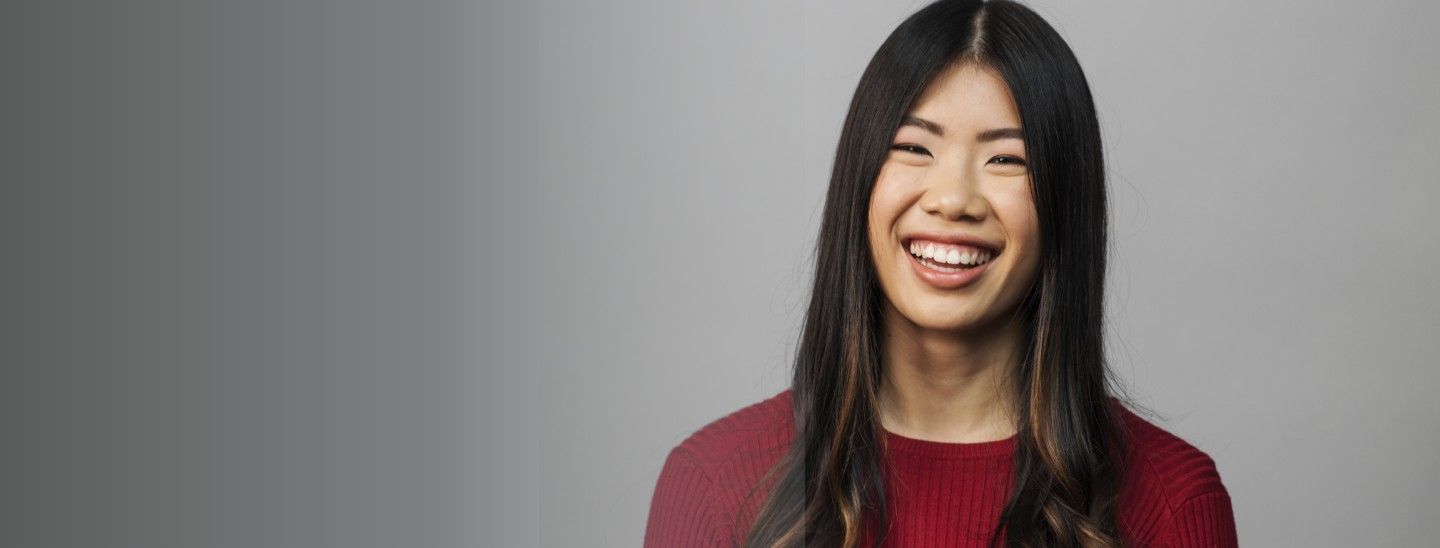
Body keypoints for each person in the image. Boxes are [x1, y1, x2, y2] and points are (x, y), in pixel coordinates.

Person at [643, 1, 1237, 546]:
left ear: (1065, 203)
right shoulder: (714, 482)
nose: (953, 199)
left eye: (1007, 158)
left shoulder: (1172, 502)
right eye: (914, 148)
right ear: (861, 180)